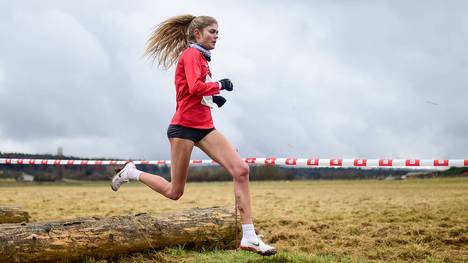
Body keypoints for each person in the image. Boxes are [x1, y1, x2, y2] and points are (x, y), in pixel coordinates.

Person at [111, 14, 276, 256]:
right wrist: (219, 85)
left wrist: (213, 97)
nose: (216, 36)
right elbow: (193, 87)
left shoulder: (203, 58)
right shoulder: (191, 55)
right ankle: (132, 172)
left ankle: (249, 237)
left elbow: (196, 90)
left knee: (241, 169)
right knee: (175, 192)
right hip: (183, 129)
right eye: (212, 31)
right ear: (197, 34)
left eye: (218, 32)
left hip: (205, 127)